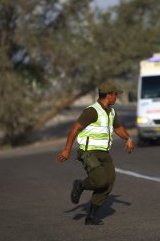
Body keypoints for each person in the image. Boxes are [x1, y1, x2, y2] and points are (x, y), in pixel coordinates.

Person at [57, 82, 135, 225]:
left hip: (104, 152)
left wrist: (128, 138)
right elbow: (75, 129)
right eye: (115, 94)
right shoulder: (92, 111)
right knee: (100, 180)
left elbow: (118, 128)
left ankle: (91, 216)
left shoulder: (111, 112)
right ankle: (80, 185)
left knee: (109, 181)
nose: (117, 97)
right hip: (88, 152)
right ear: (109, 95)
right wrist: (67, 149)